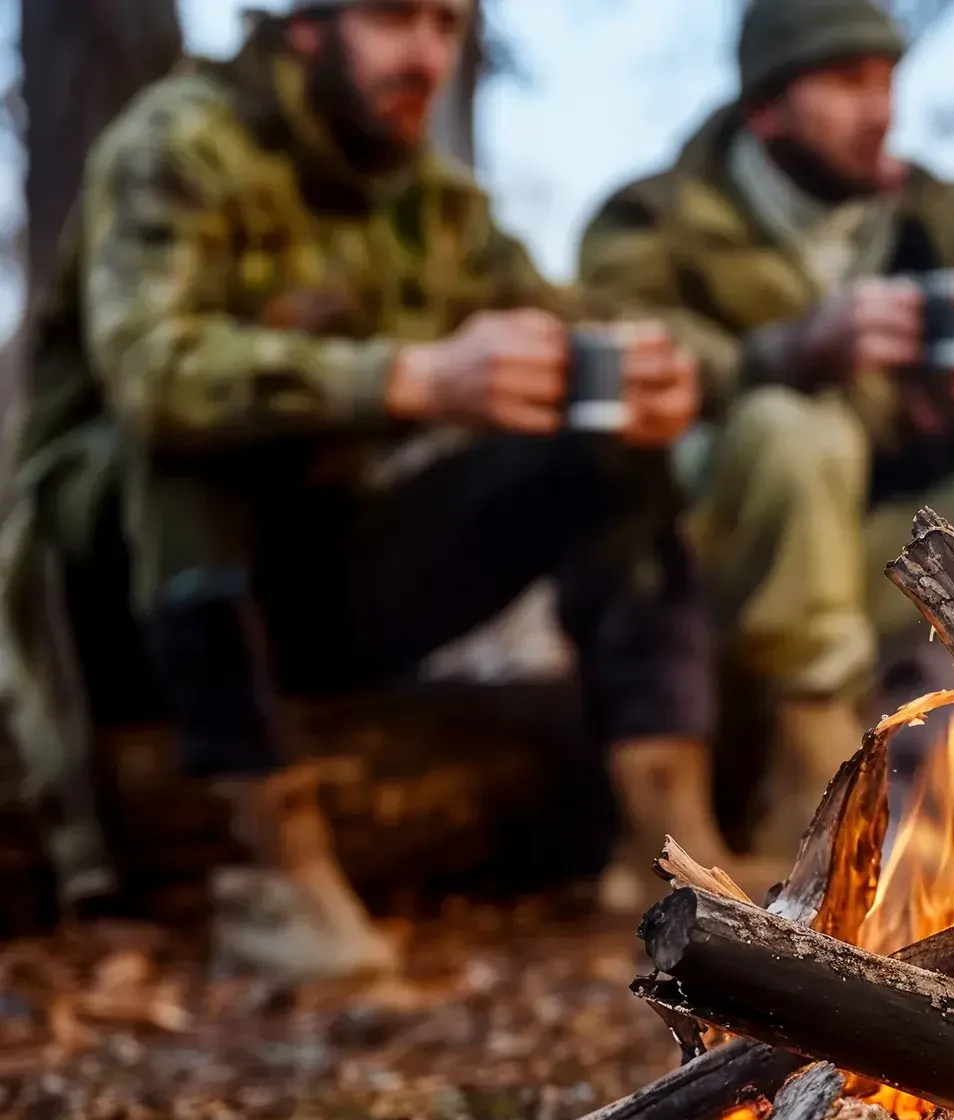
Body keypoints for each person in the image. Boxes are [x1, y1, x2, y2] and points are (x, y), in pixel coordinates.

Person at [0, 0, 758, 982]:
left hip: (319, 584)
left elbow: (578, 319)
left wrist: (665, 369)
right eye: (395, 17)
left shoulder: (431, 204)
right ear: (307, 26)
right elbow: (152, 373)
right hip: (130, 608)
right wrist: (412, 378)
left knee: (607, 443)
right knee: (191, 447)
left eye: (446, 26)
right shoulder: (178, 144)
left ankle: (668, 840)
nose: (427, 55)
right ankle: (269, 874)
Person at [575, 0, 954, 851]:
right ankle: (812, 775)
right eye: (848, 82)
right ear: (767, 107)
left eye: (888, 80)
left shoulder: (929, 209)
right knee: (793, 426)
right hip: (722, 572)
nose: (881, 111)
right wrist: (787, 352)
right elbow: (612, 358)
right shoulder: (658, 219)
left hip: (887, 551)